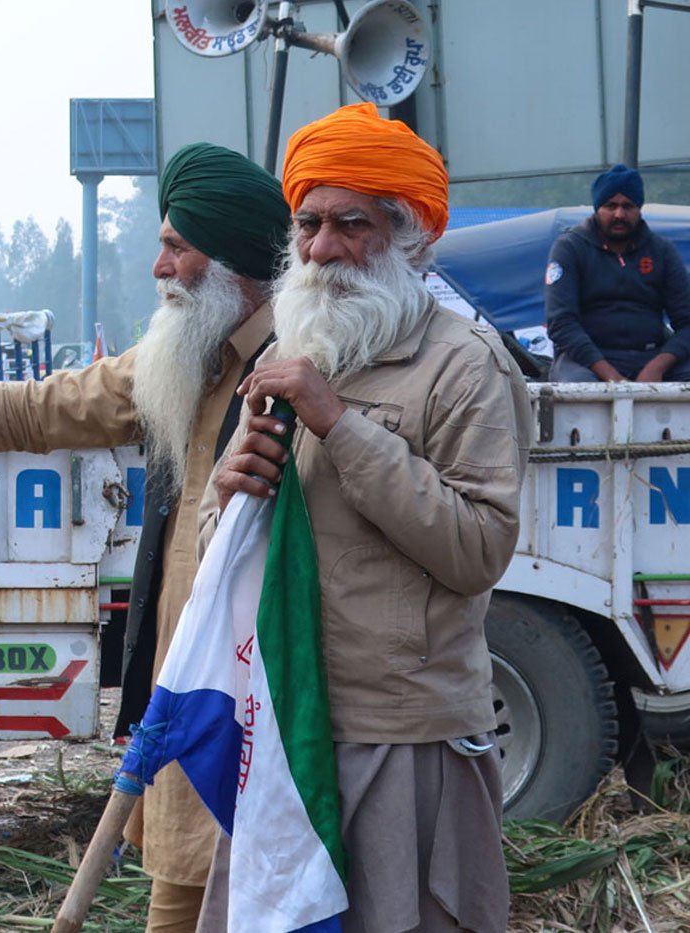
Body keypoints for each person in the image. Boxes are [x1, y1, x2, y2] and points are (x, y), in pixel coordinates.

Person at [0, 143, 291, 932]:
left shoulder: (296, 374)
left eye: (178, 247)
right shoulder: (187, 362)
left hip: (261, 727)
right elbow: (39, 408)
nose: (159, 267)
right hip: (187, 711)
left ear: (234, 260)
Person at [200, 102, 532, 931]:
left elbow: (478, 549)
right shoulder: (287, 357)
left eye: (351, 224)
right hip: (280, 725)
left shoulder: (463, 364)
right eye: (308, 224)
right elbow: (235, 552)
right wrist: (224, 497)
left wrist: (340, 426)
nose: (321, 249)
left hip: (401, 734)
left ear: (410, 234)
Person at [545, 163, 690, 382]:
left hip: (651, 357)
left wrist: (657, 367)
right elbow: (561, 323)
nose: (619, 214)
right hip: (585, 361)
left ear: (639, 208)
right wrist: (612, 377)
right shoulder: (570, 248)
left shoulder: (662, 251)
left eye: (628, 206)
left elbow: (687, 321)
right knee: (576, 387)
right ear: (597, 208)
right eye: (610, 206)